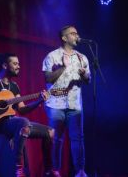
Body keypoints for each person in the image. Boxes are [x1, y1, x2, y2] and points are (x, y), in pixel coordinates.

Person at [42, 25, 91, 177]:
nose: (77, 36)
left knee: (78, 139)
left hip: (75, 105)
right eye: (73, 33)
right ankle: (55, 170)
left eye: (77, 33)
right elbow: (48, 77)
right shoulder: (52, 56)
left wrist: (84, 75)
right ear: (64, 38)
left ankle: (80, 171)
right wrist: (63, 67)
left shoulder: (82, 58)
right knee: (56, 138)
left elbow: (88, 80)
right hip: (55, 104)